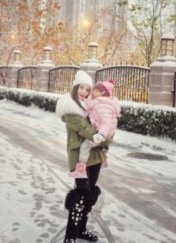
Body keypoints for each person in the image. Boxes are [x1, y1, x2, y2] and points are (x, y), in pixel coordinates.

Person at [55, 70, 110, 243]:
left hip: (95, 156)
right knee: (81, 194)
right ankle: (70, 236)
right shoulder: (70, 108)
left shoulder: (91, 106)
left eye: (88, 89)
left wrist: (105, 131)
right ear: (75, 87)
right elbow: (85, 130)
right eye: (82, 88)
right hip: (79, 157)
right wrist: (104, 136)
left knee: (90, 194)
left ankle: (81, 230)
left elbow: (104, 122)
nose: (84, 92)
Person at [69, 79, 120, 178]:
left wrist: (101, 135)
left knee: (85, 146)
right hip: (105, 132)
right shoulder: (101, 102)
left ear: (103, 93)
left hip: (102, 133)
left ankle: (81, 169)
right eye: (93, 90)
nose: (93, 92)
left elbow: (106, 122)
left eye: (96, 91)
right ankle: (104, 162)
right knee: (103, 147)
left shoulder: (103, 105)